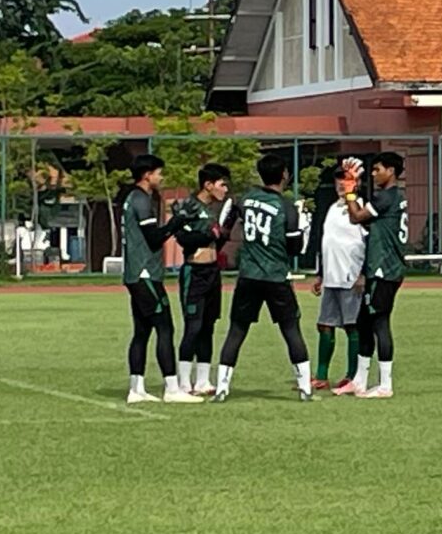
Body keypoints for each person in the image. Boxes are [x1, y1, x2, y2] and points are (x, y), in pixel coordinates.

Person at [215, 152, 311, 403]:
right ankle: (305, 389)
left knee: (237, 329)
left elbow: (227, 220)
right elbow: (294, 248)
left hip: (248, 275)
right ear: (283, 175)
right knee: (291, 328)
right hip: (276, 275)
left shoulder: (245, 199)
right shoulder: (287, 207)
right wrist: (303, 231)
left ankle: (221, 388)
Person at [119, 153, 190, 404]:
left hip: (135, 273)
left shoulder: (132, 198)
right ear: (147, 175)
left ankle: (136, 388)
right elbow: (153, 237)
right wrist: (176, 222)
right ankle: (172, 388)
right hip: (145, 273)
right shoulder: (141, 200)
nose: (161, 177)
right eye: (159, 173)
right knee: (165, 327)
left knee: (142, 331)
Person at [172, 162, 237, 397]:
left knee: (208, 326)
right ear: (208, 185)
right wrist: (208, 235)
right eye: (222, 184)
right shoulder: (188, 206)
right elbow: (181, 237)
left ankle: (202, 380)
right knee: (193, 327)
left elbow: (217, 241)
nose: (225, 189)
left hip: (212, 272)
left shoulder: (213, 210)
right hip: (194, 272)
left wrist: (224, 231)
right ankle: (183, 382)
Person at [352, 151, 409, 398]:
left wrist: (349, 191)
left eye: (377, 170)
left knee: (379, 322)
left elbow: (357, 217)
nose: (374, 174)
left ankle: (385, 384)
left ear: (391, 171)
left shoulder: (387, 197)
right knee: (363, 323)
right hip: (382, 267)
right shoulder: (395, 198)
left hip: (384, 269)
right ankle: (360, 380)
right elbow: (372, 224)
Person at [314, 157, 371, 394]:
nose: (341, 183)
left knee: (352, 327)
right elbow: (327, 242)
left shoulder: (362, 207)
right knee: (324, 325)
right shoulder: (331, 208)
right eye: (339, 178)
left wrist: (364, 273)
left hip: (351, 277)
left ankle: (351, 375)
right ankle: (321, 375)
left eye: (346, 179)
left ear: (356, 182)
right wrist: (320, 274)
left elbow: (370, 242)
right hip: (331, 277)